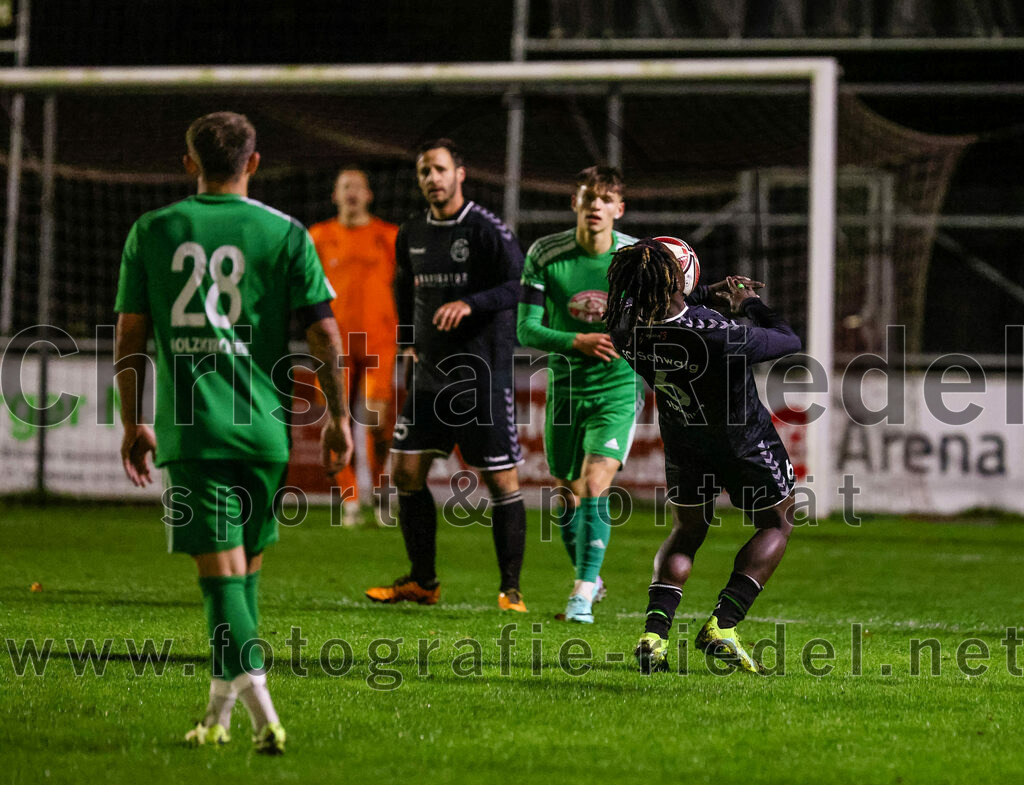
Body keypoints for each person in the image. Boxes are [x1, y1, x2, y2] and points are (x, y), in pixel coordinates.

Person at [114, 112, 353, 753]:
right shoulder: (287, 232)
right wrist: (338, 417)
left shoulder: (154, 230)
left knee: (219, 586)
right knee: (242, 578)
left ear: (189, 163)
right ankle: (216, 718)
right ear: (254, 162)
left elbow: (130, 337)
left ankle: (264, 716)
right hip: (265, 433)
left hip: (195, 432)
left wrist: (134, 419)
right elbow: (326, 333)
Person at [605, 237, 799, 674]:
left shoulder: (622, 327)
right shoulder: (717, 335)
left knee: (687, 532)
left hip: (684, 441)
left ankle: (654, 635)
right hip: (742, 442)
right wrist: (750, 303)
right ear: (681, 278)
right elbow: (788, 339)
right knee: (778, 521)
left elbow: (664, 303)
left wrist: (704, 293)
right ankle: (723, 625)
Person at [365, 138, 528, 612]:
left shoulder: (485, 229)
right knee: (406, 471)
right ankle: (423, 581)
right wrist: (408, 339)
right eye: (424, 172)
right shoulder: (411, 231)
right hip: (429, 375)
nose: (431, 179)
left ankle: (510, 590)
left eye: (439, 169)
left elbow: (517, 286)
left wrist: (470, 303)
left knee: (500, 481)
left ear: (460, 173)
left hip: (480, 374)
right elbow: (403, 285)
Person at [516, 165, 640, 624]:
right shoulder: (545, 254)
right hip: (566, 386)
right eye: (589, 197)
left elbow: (660, 316)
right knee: (566, 493)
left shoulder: (635, 257)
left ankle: (582, 595)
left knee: (594, 484)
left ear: (618, 210)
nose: (595, 206)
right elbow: (525, 327)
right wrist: (576, 341)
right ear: (575, 203)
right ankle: (590, 576)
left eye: (606, 199)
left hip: (617, 386)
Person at [309, 167, 399, 525]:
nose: (351, 192)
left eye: (357, 187)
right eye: (344, 186)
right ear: (334, 196)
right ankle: (349, 501)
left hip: (379, 341)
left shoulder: (387, 237)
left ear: (368, 195)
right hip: (335, 345)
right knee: (336, 421)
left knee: (377, 423)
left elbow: (408, 287)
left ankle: (380, 494)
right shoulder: (318, 237)